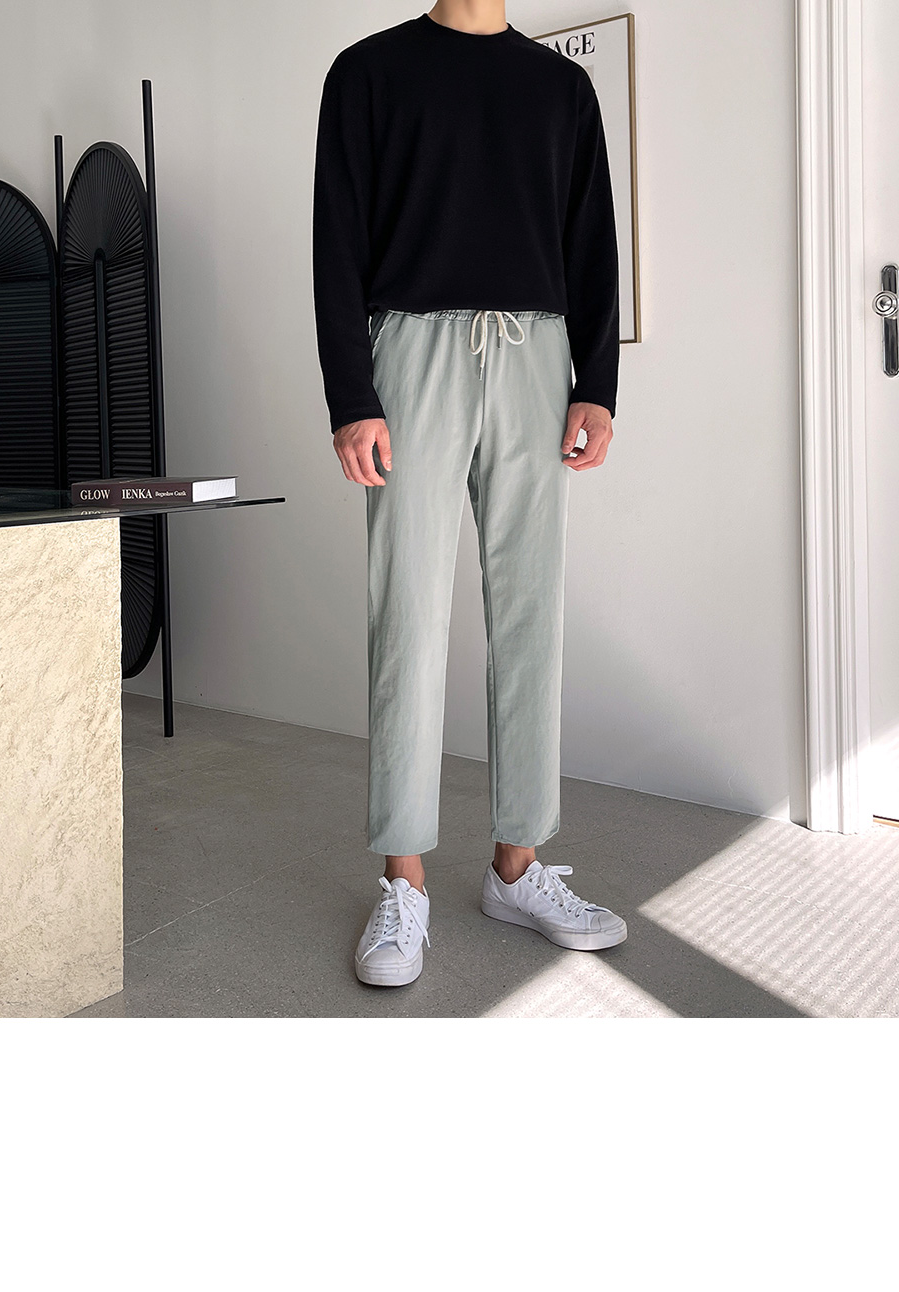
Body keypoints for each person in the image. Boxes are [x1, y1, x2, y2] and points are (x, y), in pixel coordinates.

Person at [312, 0, 628, 987]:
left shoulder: (562, 89)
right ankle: (402, 881)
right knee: (406, 610)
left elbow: (591, 240)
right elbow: (335, 239)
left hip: (535, 354)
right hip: (411, 354)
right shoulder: (367, 72)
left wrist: (596, 383)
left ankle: (516, 868)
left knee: (531, 609)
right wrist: (352, 396)